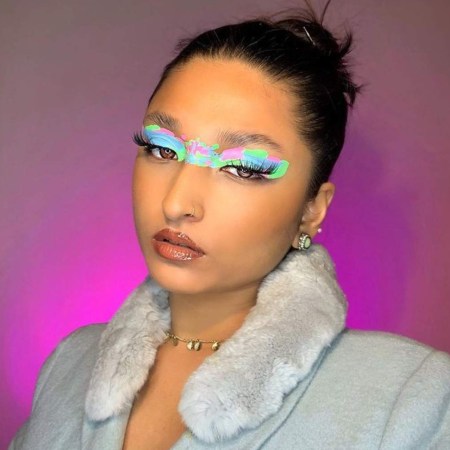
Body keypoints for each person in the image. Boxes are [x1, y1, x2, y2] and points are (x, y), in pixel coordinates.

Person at [9, 2, 450, 449]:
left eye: (243, 168)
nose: (177, 203)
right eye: (162, 149)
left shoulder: (411, 400)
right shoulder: (70, 365)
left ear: (312, 210)